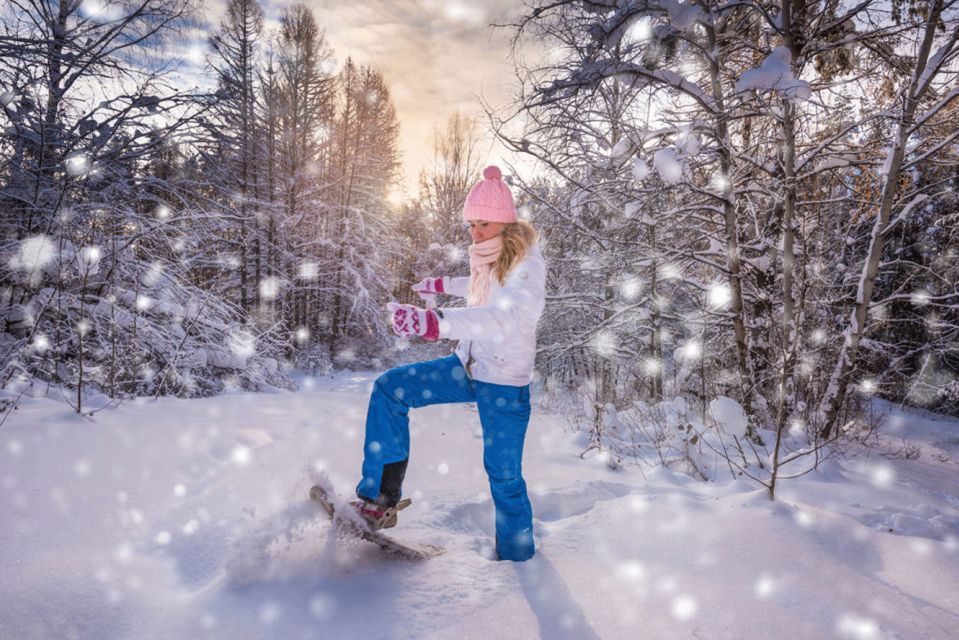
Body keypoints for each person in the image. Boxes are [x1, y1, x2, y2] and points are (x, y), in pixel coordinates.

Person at [352, 165, 546, 562]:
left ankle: (518, 562)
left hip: (504, 386)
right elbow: (479, 289)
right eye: (471, 224)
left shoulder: (527, 268)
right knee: (391, 389)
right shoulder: (487, 257)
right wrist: (441, 287)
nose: (474, 232)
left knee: (504, 478)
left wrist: (435, 322)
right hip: (466, 368)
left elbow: (503, 317)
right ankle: (378, 499)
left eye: (483, 224)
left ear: (505, 223)